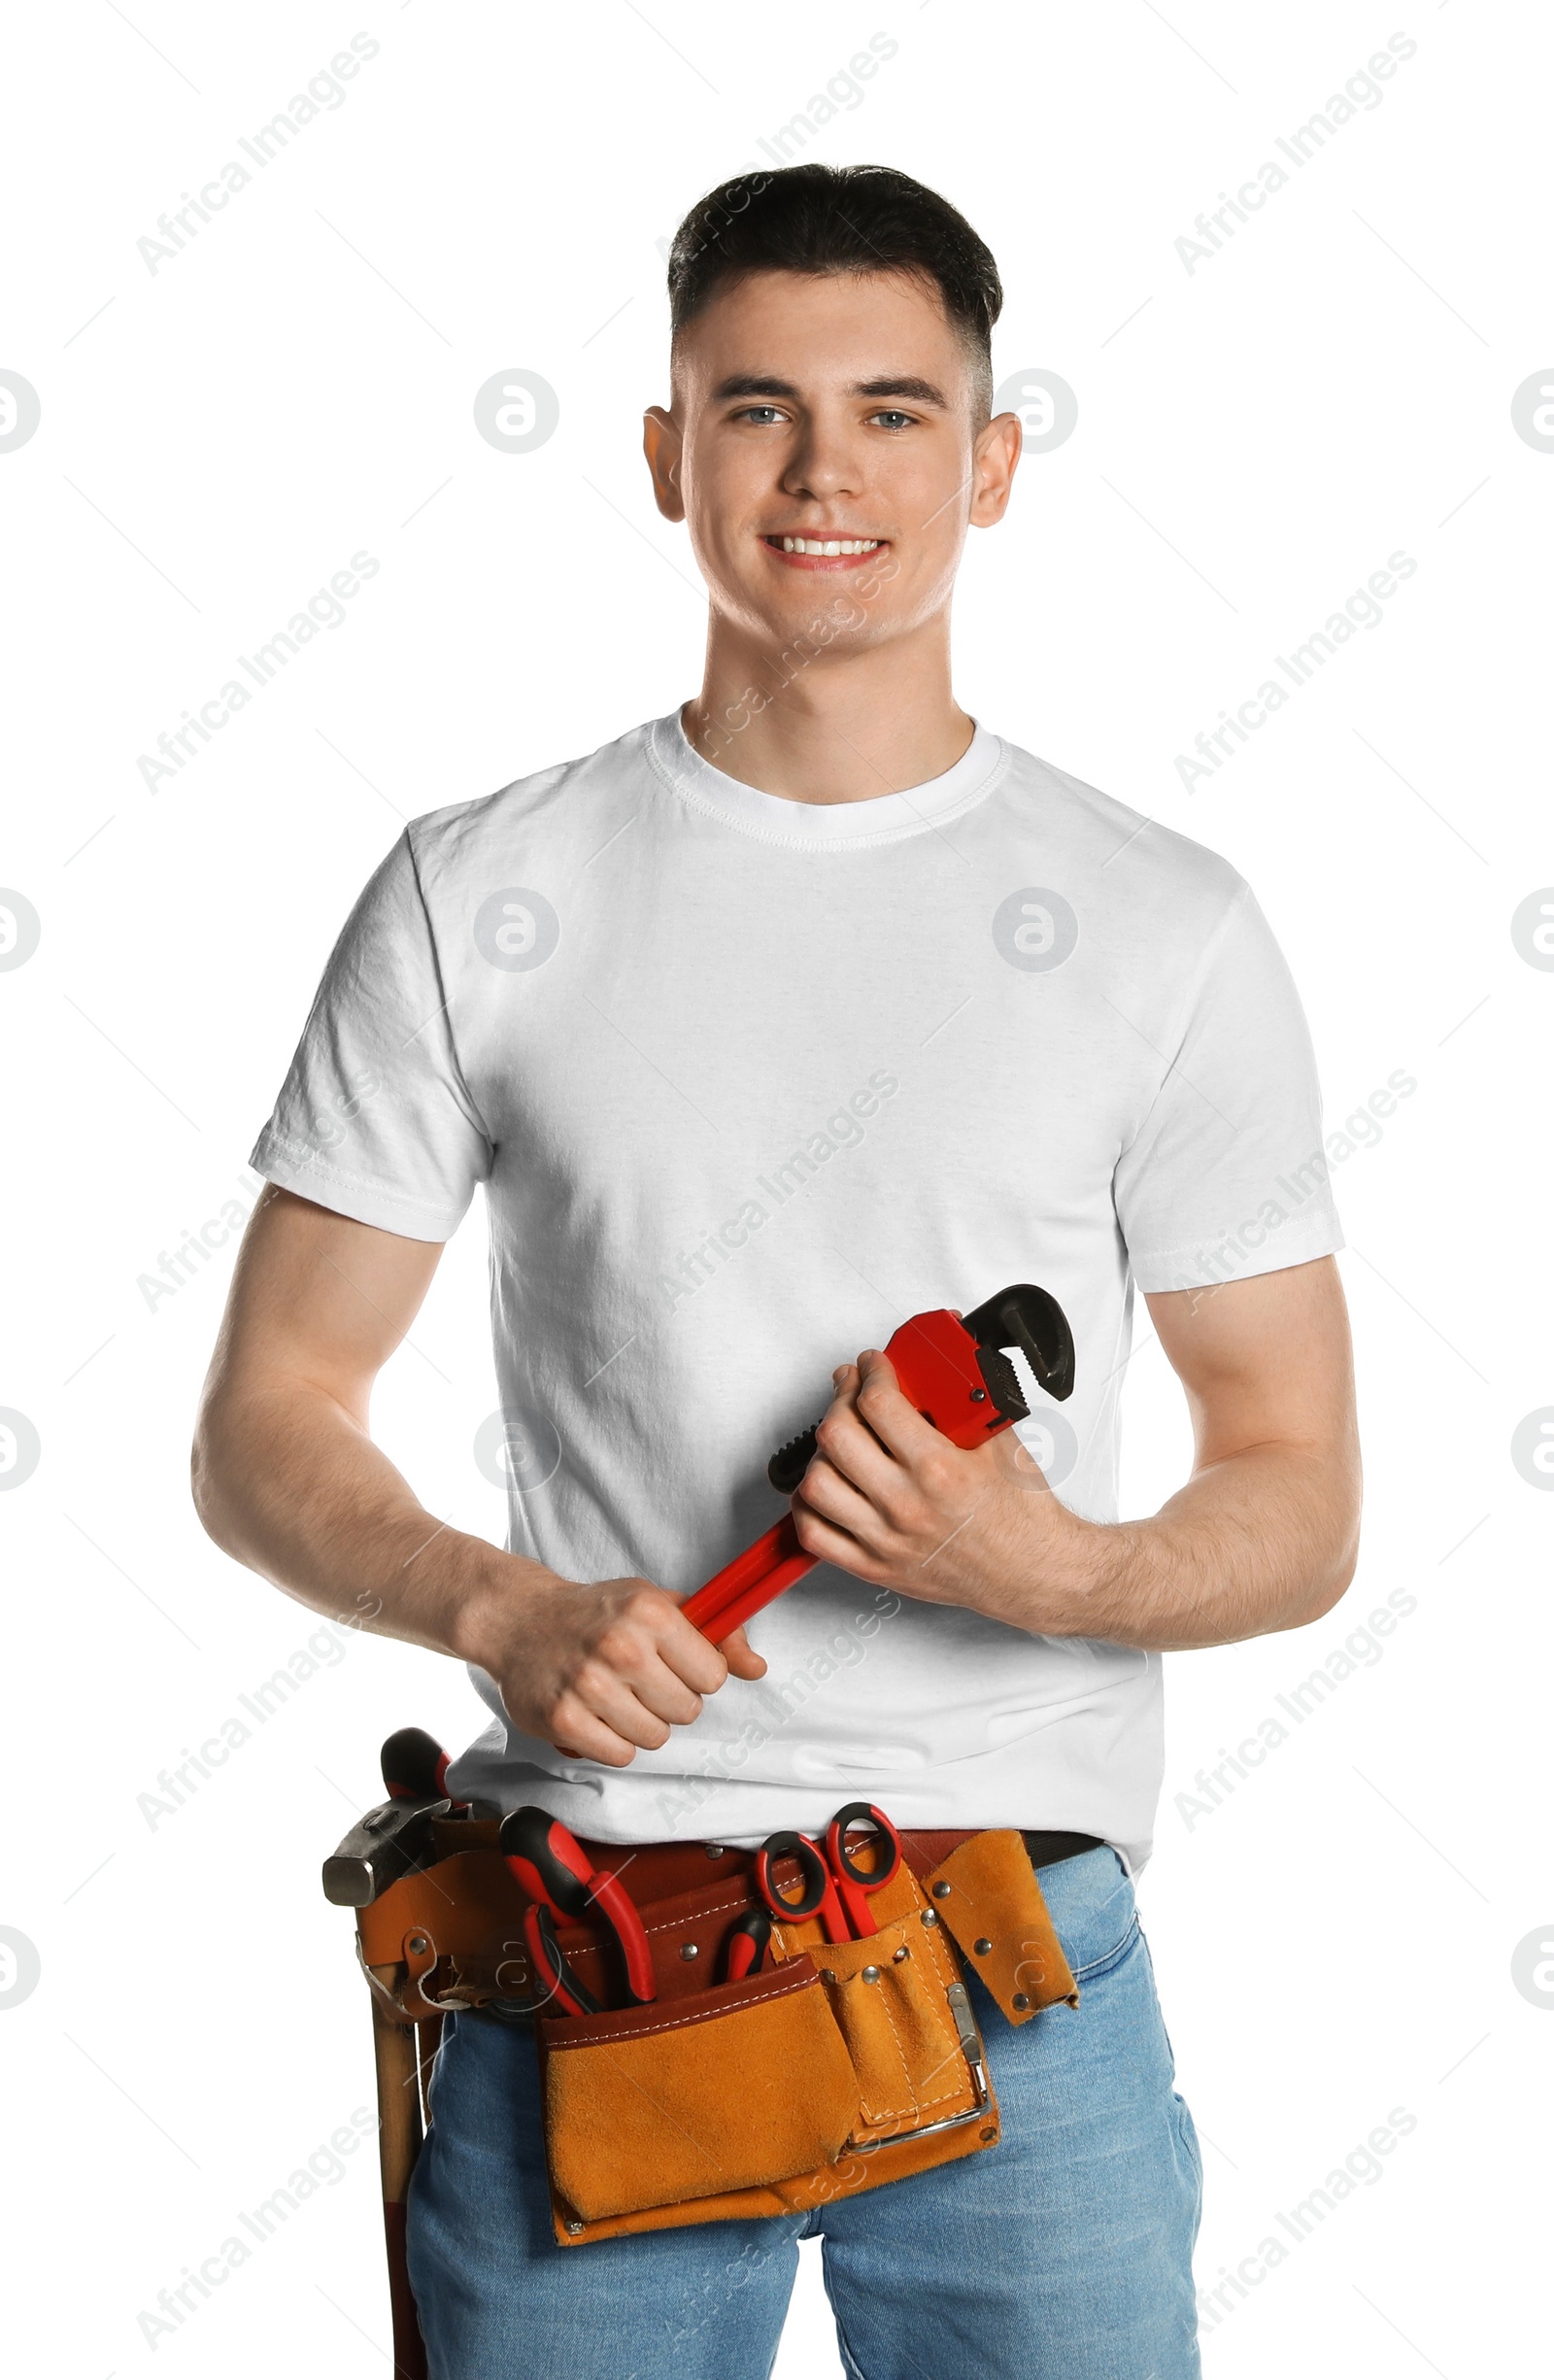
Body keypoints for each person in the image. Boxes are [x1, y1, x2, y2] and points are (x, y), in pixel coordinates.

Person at [192, 162, 1360, 2380]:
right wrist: (498, 1608)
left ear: (988, 461)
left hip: (1024, 1974)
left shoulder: (1163, 926)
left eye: (896, 411)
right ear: (663, 454)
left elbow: (1298, 1487)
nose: (826, 472)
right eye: (755, 408)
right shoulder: (477, 893)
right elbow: (264, 1418)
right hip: (599, 1960)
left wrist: (1046, 1567)